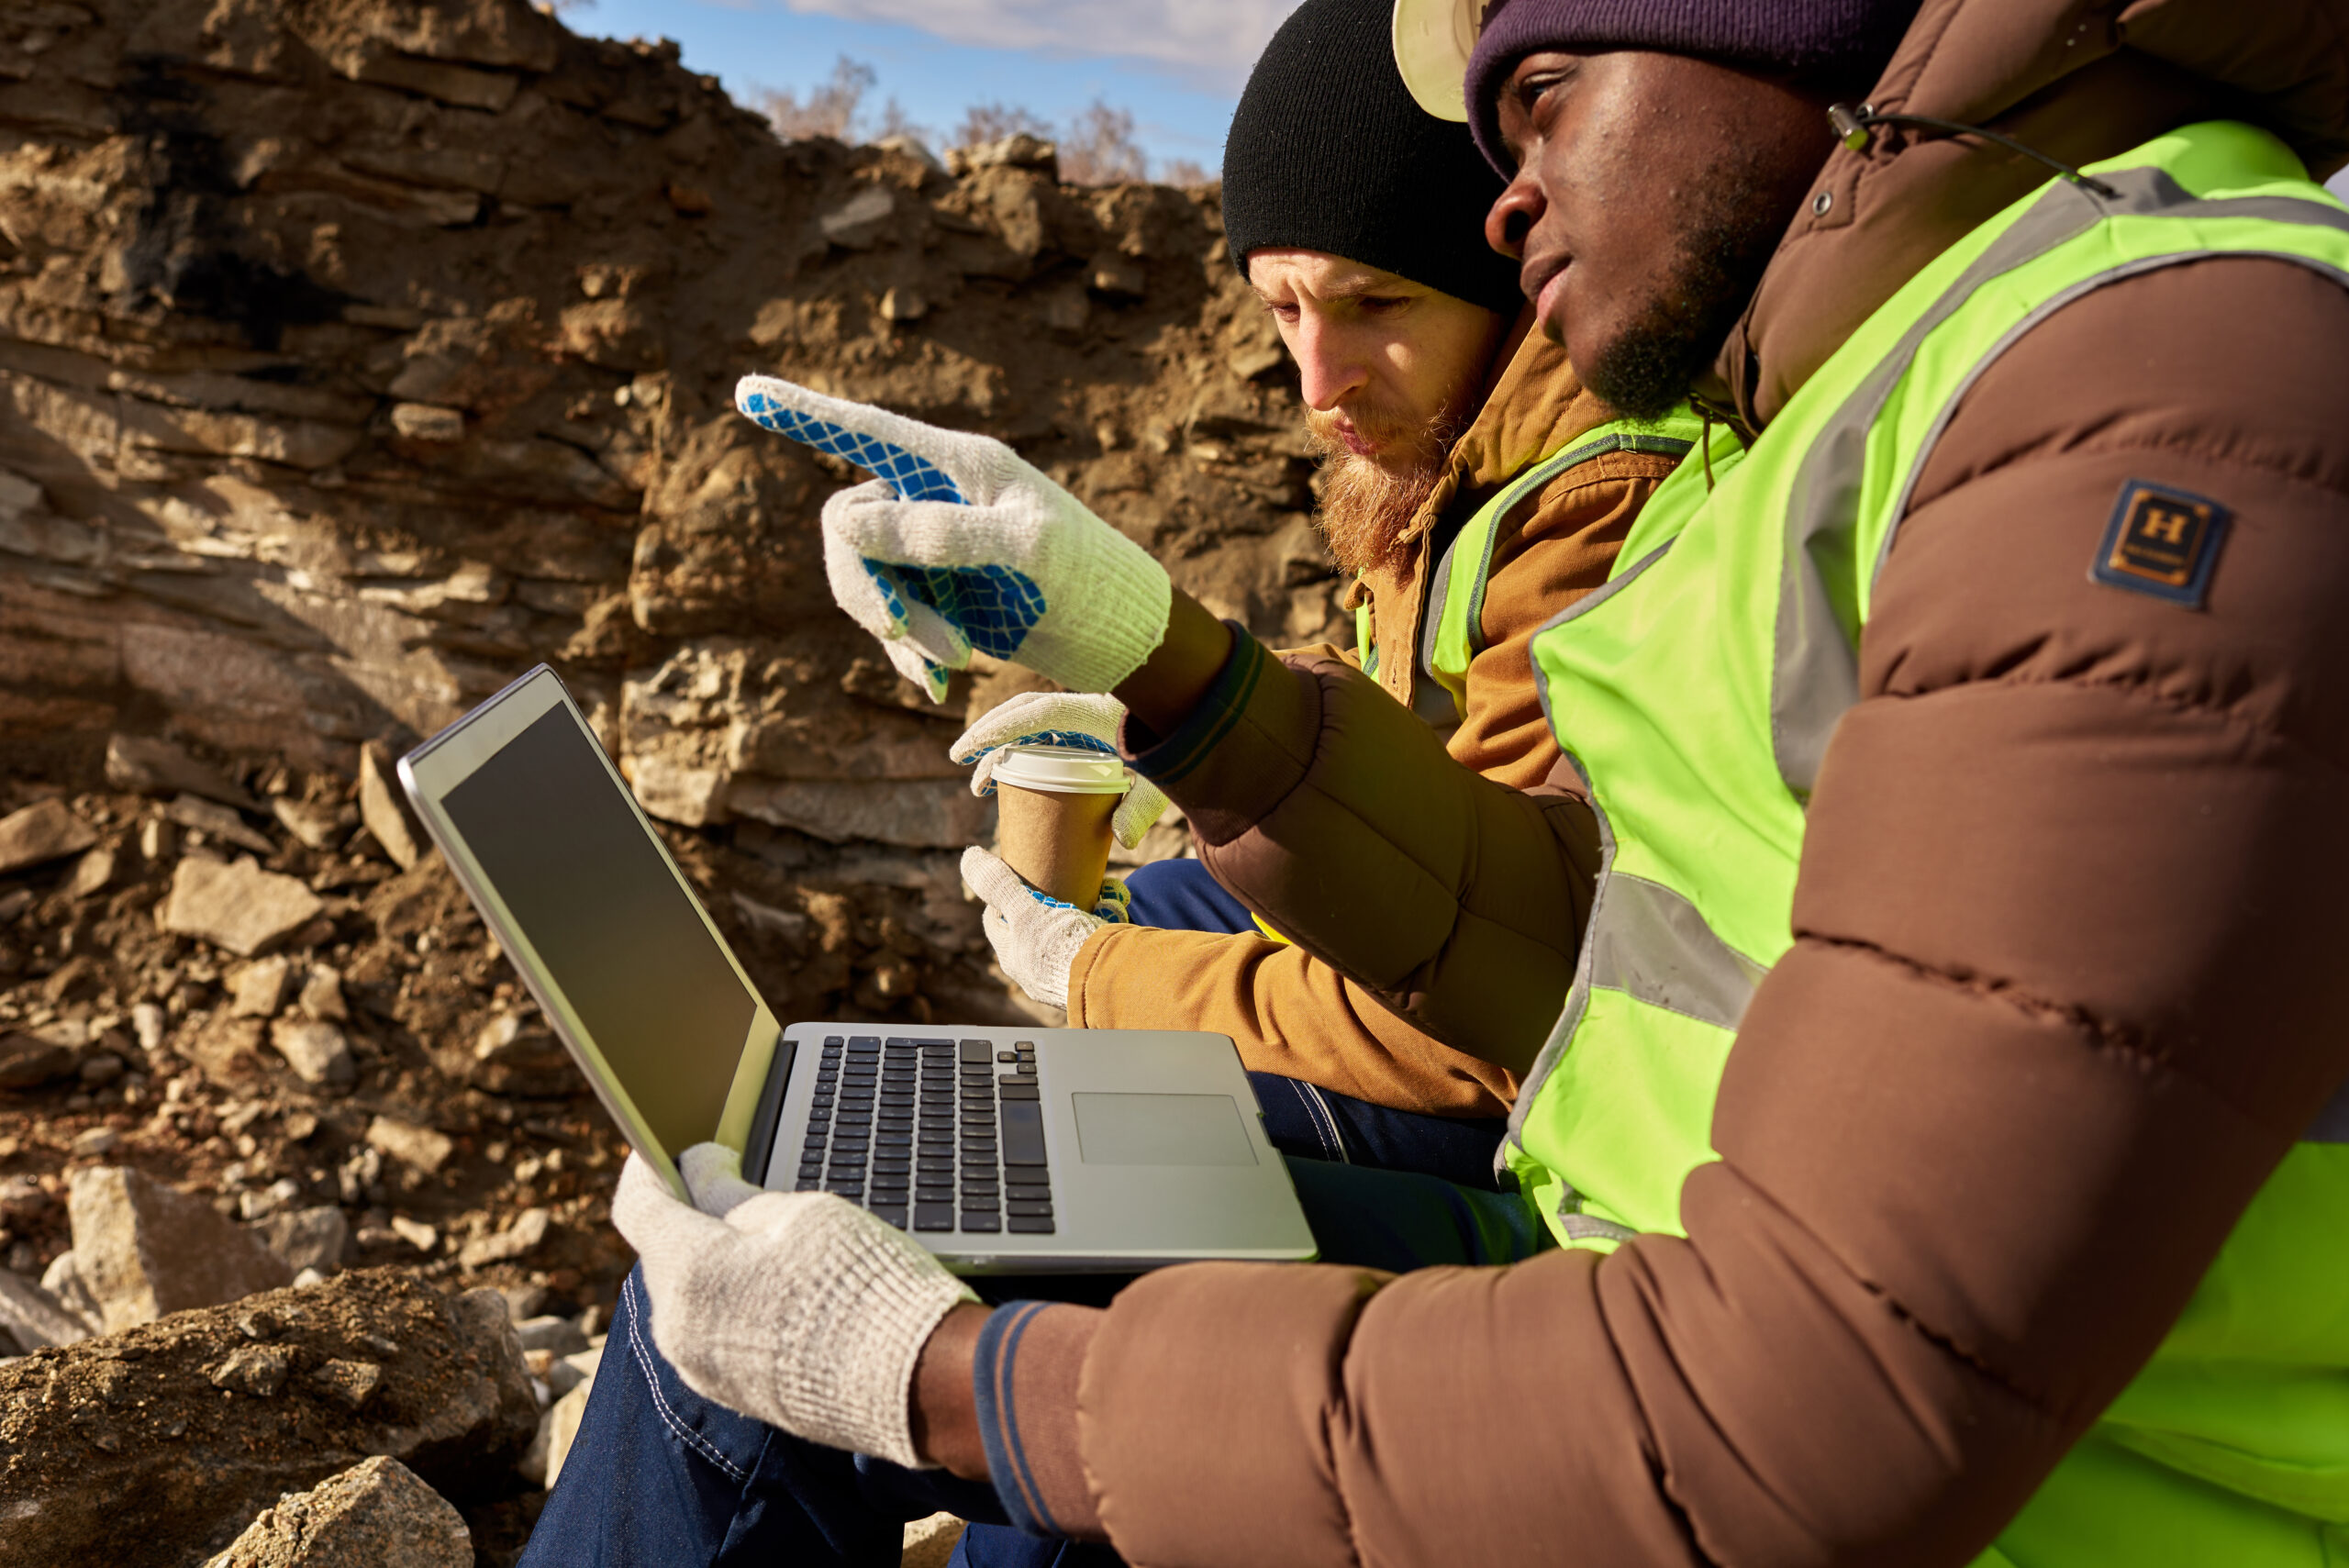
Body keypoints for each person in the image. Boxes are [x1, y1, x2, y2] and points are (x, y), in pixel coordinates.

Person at [537, 0, 2349, 1563]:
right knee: (887, 1216)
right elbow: (1632, 944)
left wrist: (940, 1382)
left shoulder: (2154, 394)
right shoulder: (1893, 387)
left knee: (857, 1329)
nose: (1500, 195)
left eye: (1541, 91)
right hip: (1653, 1300)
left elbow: (1789, 1427)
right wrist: (1154, 661)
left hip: (1951, 1503)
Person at [950, 0, 1694, 1189]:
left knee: (1034, 1150)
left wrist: (1093, 979)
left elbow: (1482, 1015)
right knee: (1152, 918)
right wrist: (1169, 764)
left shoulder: (1604, 494)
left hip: (1555, 1107)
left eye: (1373, 304)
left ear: (1508, 265)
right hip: (1461, 969)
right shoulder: (1451, 445)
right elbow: (1416, 759)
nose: (1316, 379)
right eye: (1281, 307)